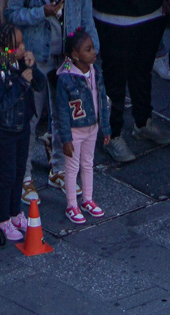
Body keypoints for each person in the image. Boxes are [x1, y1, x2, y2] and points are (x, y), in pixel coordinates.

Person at [93, 0, 170, 160]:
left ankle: (143, 122)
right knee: (115, 77)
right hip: (112, 15)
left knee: (143, 70)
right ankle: (112, 135)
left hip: (153, 12)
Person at [0, 24, 36, 244]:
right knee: (8, 174)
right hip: (4, 130)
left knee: (20, 172)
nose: (22, 48)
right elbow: (1, 105)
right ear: (5, 50)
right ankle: (2, 219)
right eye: (17, 45)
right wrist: (21, 83)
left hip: (22, 126)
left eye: (22, 43)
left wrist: (33, 68)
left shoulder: (20, 63)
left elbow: (38, 85)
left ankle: (14, 212)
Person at [53, 28, 104, 222]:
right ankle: (72, 204)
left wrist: (104, 127)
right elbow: (62, 112)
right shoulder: (65, 78)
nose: (94, 53)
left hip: (92, 127)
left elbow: (101, 101)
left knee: (88, 164)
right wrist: (66, 139)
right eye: (88, 49)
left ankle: (88, 199)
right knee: (72, 167)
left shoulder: (95, 72)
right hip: (75, 131)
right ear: (75, 55)